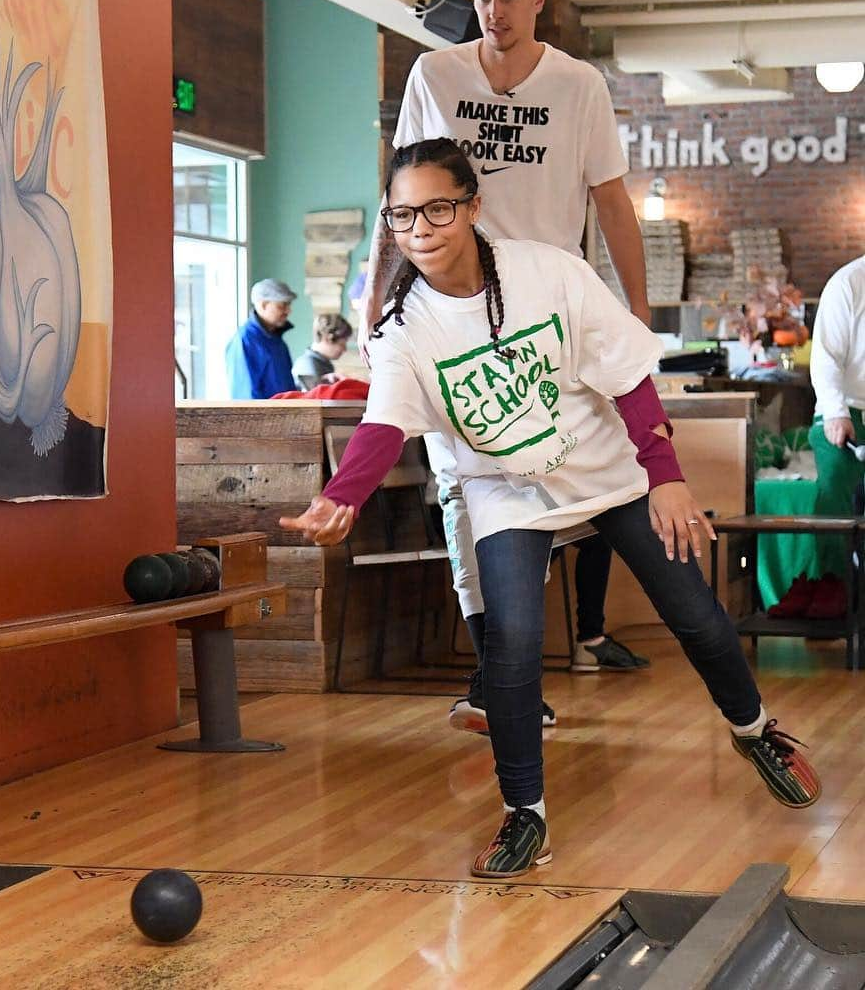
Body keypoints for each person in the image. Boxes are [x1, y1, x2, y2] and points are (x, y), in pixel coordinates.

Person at [281, 140, 820, 877]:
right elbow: (382, 426)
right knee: (512, 641)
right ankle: (524, 815)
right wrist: (341, 495)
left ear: (474, 207)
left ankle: (754, 730)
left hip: (608, 468)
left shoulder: (546, 272)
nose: (422, 228)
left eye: (439, 208)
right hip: (506, 486)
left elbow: (627, 374)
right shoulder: (403, 332)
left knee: (694, 612)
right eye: (403, 215)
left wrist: (665, 475)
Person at [361, 0, 654, 723]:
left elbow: (614, 203)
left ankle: (527, 667)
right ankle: (500, 676)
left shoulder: (577, 84)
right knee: (461, 489)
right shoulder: (435, 75)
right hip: (449, 303)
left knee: (554, 486)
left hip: (548, 311)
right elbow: (399, 191)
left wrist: (639, 308)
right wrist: (373, 298)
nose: (497, 12)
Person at [808, 254, 865, 591]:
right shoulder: (848, 282)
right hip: (843, 413)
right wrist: (835, 412)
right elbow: (825, 355)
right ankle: (833, 592)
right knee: (835, 497)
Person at [226, 279, 298, 400]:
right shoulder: (244, 341)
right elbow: (245, 397)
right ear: (263, 305)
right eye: (282, 305)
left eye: (288, 305)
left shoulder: (278, 342)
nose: (288, 311)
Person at [292, 313, 354, 390]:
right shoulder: (308, 364)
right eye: (342, 344)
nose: (345, 349)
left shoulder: (321, 363)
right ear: (327, 338)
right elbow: (315, 399)